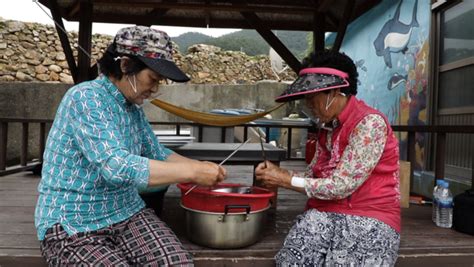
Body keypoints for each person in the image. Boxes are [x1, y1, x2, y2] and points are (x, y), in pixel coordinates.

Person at [34, 26, 226, 266]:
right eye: (152, 79)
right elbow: (116, 167)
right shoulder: (84, 97)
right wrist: (192, 172)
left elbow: (157, 153)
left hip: (127, 212)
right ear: (125, 65)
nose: (155, 89)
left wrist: (200, 167)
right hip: (73, 221)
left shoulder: (132, 108)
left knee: (177, 263)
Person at [255, 50, 400, 266]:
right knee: (291, 260)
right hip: (325, 209)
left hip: (371, 215)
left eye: (313, 98)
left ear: (335, 91)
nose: (309, 105)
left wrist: (285, 180)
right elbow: (314, 175)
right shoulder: (328, 128)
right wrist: (281, 174)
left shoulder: (369, 124)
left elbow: (341, 185)